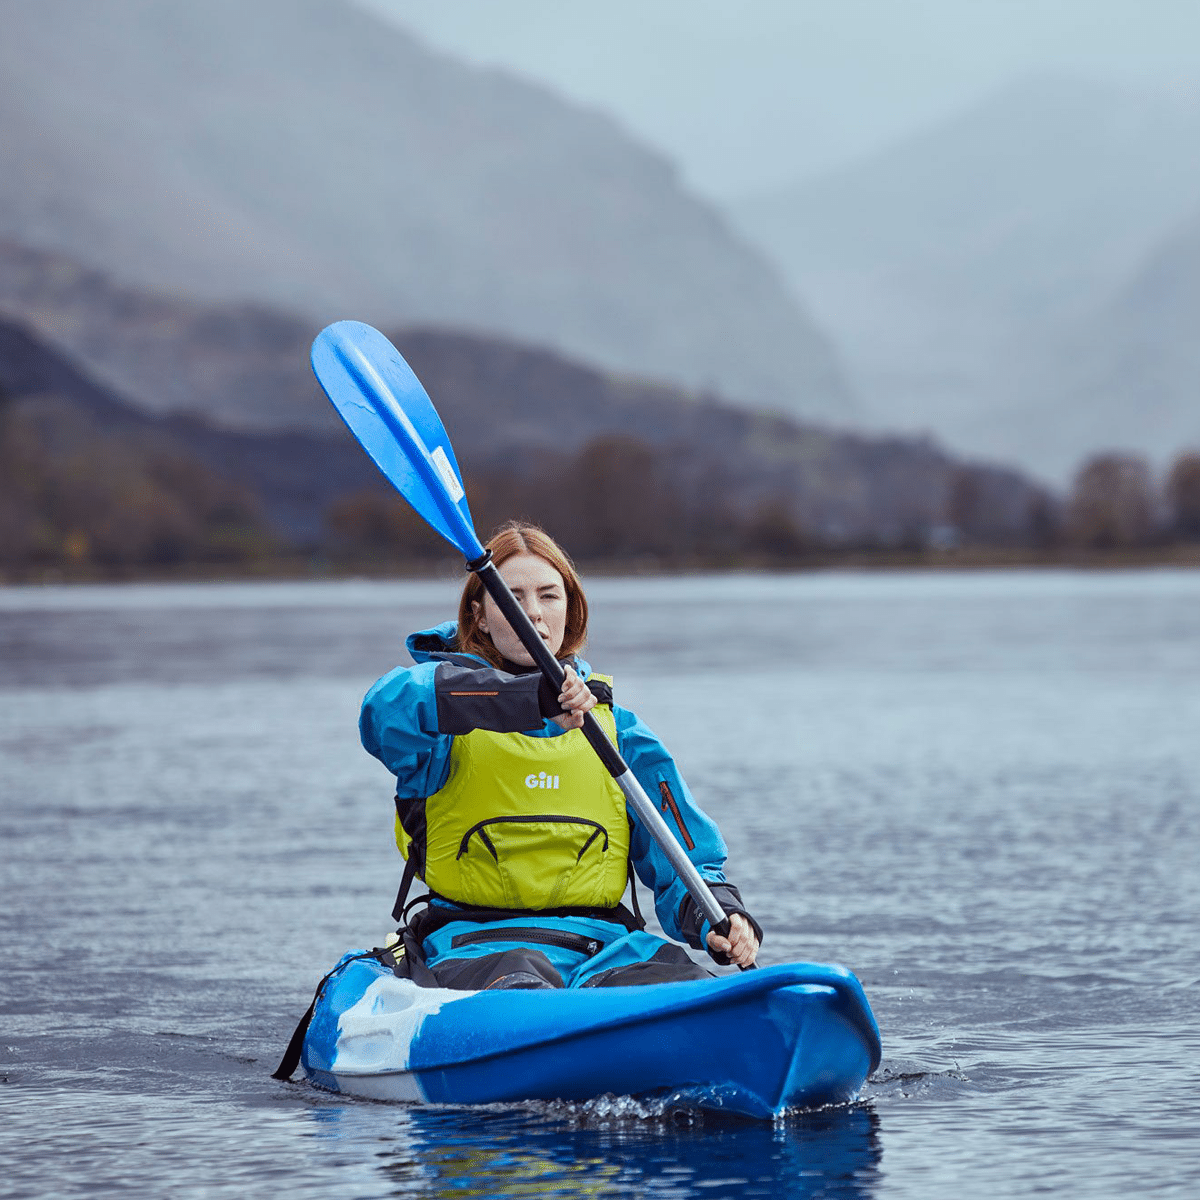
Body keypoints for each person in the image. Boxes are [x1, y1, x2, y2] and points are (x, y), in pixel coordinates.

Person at [359, 521, 761, 990]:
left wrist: (720, 916)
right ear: (481, 614)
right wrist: (529, 699)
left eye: (549, 596)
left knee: (681, 983)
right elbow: (382, 711)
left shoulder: (621, 732)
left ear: (570, 610)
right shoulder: (436, 717)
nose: (533, 613)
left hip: (604, 948)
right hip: (471, 945)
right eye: (513, 598)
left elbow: (684, 860)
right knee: (522, 979)